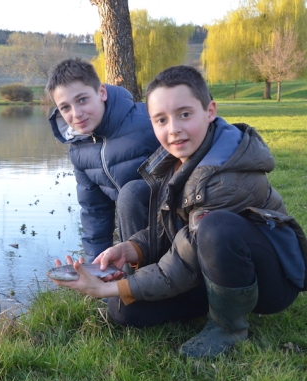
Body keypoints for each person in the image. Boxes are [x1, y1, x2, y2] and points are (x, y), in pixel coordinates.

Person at [52, 65, 307, 357]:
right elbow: (170, 228)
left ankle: (228, 326)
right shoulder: (172, 159)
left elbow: (184, 258)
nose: (173, 129)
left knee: (216, 227)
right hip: (207, 266)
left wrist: (107, 288)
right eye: (161, 119)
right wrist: (129, 248)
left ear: (210, 110)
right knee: (124, 312)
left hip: (267, 283)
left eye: (185, 114)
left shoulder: (224, 173)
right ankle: (199, 299)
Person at [46, 58, 160, 263]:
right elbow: (95, 211)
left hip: (177, 219)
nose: (76, 114)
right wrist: (96, 269)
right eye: (65, 107)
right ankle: (127, 279)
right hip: (135, 237)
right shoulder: (79, 149)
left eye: (82, 100)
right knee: (109, 289)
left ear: (102, 93)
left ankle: (143, 279)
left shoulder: (148, 119)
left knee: (131, 193)